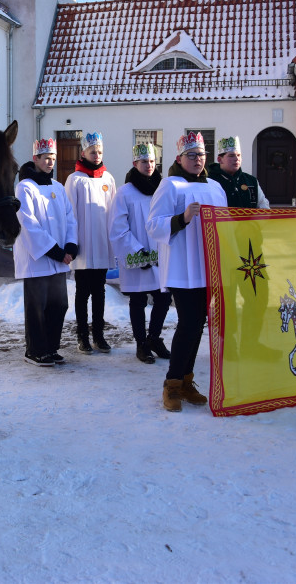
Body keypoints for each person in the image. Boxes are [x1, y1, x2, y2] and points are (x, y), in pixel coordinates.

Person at [146, 131, 227, 412]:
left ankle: (186, 381)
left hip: (208, 267)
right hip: (183, 267)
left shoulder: (216, 187)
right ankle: (172, 384)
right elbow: (153, 225)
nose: (197, 160)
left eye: (201, 155)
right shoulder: (170, 185)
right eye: (191, 155)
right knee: (189, 324)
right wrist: (182, 218)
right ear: (180, 158)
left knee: (197, 326)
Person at [13, 138, 78, 366]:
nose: (50, 162)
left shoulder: (58, 188)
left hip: (60, 257)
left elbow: (70, 219)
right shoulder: (24, 187)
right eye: (46, 158)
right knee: (37, 307)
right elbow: (28, 224)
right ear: (35, 159)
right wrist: (55, 251)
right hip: (38, 259)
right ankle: (35, 350)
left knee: (58, 304)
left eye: (53, 158)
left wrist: (71, 246)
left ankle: (51, 348)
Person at [109, 143, 173, 364]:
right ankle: (141, 344)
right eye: (144, 162)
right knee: (138, 300)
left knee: (164, 297)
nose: (149, 166)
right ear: (135, 164)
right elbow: (118, 228)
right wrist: (139, 253)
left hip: (161, 254)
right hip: (138, 254)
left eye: (152, 162)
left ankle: (154, 338)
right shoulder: (124, 193)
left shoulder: (163, 189)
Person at [64, 131, 117, 354]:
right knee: (82, 292)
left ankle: (99, 335)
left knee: (100, 292)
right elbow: (70, 214)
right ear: (83, 152)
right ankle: (82, 337)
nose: (97, 155)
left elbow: (113, 214)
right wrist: (72, 243)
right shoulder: (75, 180)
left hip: (102, 245)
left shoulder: (108, 179)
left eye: (100, 151)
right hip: (84, 246)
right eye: (93, 151)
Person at [206, 136, 270, 209]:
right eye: (231, 156)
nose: (236, 159)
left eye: (238, 155)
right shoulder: (209, 181)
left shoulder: (251, 181)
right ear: (220, 159)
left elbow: (263, 206)